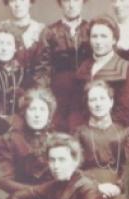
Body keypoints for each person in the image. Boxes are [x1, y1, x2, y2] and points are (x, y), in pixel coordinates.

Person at [32, 0, 92, 131]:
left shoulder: (91, 29)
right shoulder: (50, 32)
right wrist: (46, 97)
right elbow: (42, 69)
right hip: (59, 92)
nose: (71, 5)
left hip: (85, 90)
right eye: (66, 1)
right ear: (60, 3)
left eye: (76, 0)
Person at [71, 15, 129, 128]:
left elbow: (124, 113)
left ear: (114, 40)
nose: (98, 41)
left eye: (104, 36)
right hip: (84, 129)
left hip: (113, 131)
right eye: (94, 36)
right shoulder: (83, 67)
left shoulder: (125, 69)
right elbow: (76, 107)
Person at [0, 87, 56, 193]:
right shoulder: (10, 140)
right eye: (32, 109)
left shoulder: (54, 140)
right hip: (21, 197)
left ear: (49, 116)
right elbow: (4, 181)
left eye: (42, 110)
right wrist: (37, 190)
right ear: (24, 113)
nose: (37, 115)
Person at [0, 0, 45, 66]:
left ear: (30, 2)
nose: (18, 4)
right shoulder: (0, 29)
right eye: (12, 1)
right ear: (7, 3)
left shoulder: (42, 30)